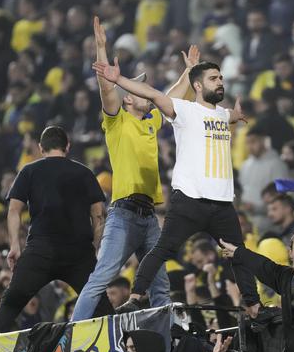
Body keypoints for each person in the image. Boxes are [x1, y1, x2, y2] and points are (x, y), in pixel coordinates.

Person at [92, 57, 266, 320]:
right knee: (163, 250)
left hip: (221, 204)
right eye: (213, 79)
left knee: (238, 254)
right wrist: (118, 80)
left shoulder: (221, 113)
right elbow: (151, 93)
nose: (220, 82)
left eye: (220, 78)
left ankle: (254, 307)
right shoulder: (183, 110)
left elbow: (227, 115)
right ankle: (136, 297)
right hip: (189, 201)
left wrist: (236, 115)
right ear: (197, 85)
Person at [71, 16, 192, 321]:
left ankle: (165, 345)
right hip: (123, 214)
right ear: (128, 100)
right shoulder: (116, 120)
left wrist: (190, 73)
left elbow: (171, 95)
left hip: (149, 216)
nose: (146, 91)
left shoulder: (150, 121)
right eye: (140, 89)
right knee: (102, 277)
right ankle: (72, 335)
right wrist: (100, 48)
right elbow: (106, 88)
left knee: (161, 286)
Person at [0, 126, 112, 333]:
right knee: (103, 309)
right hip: (79, 254)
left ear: (40, 148)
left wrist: (14, 246)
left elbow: (13, 210)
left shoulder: (29, 170)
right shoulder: (84, 172)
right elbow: (98, 214)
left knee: (10, 304)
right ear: (68, 146)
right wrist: (94, 247)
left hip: (40, 252)